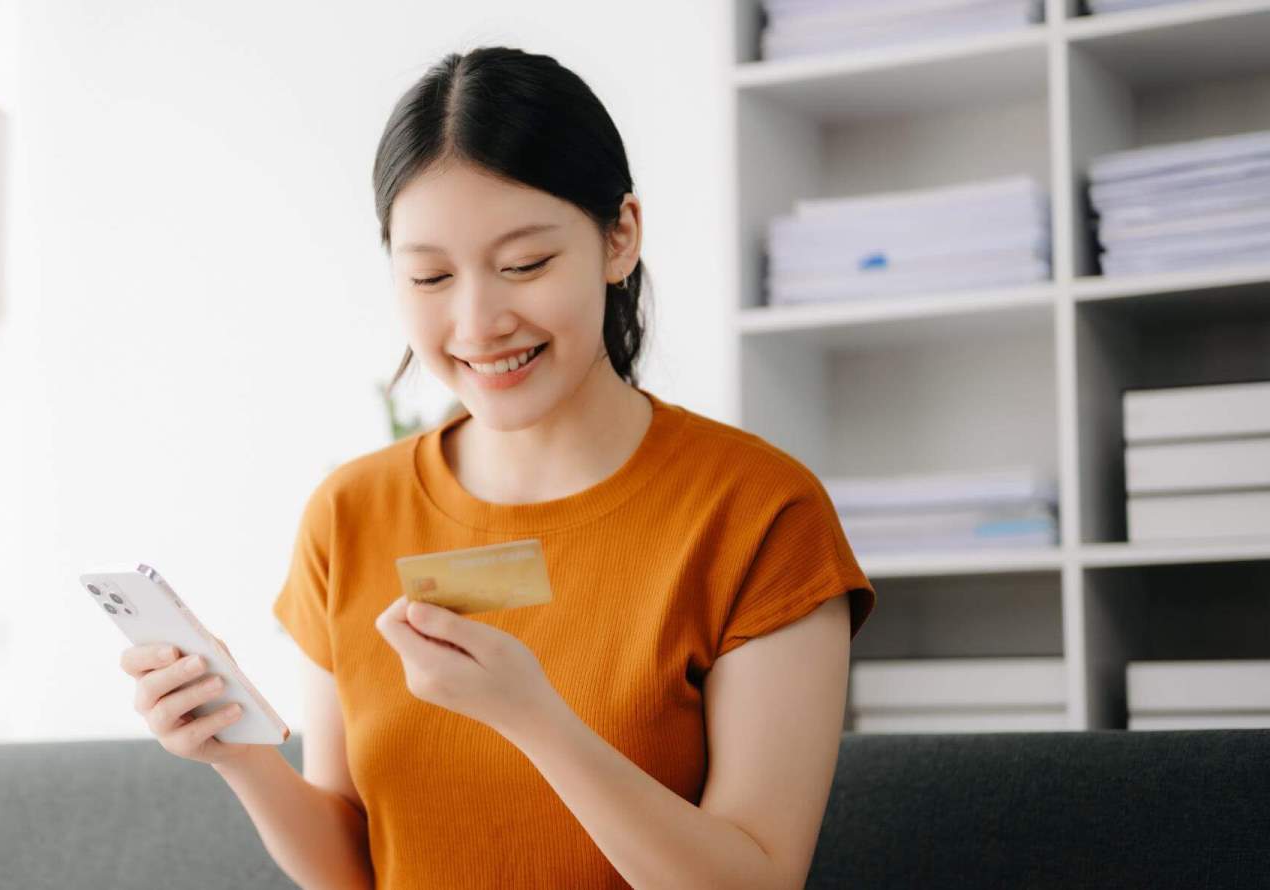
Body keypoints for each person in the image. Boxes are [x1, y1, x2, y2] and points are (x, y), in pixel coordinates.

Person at [118, 45, 876, 889]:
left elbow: (756, 883)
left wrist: (535, 720)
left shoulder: (761, 514)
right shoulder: (349, 514)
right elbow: (353, 869)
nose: (477, 323)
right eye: (431, 276)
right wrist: (240, 755)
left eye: (524, 265)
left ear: (619, 237)